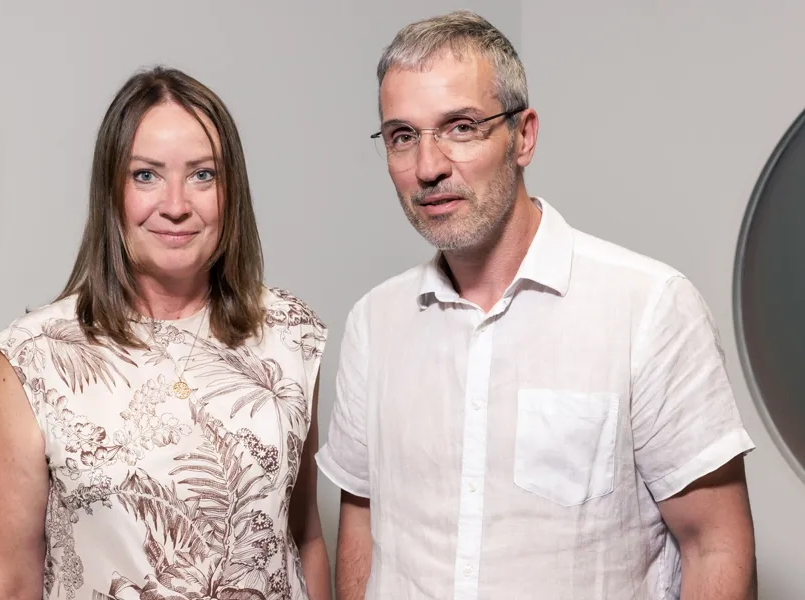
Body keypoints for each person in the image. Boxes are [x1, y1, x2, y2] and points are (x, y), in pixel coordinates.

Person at [316, 10, 757, 600]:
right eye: (402, 136)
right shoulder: (375, 323)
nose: (428, 167)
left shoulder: (648, 308)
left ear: (523, 136)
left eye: (461, 127)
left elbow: (716, 546)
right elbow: (364, 523)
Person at [0, 66, 331, 600]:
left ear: (232, 192)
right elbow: (5, 574)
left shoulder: (291, 336)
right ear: (110, 190)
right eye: (146, 175)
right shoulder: (35, 359)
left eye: (203, 174)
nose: (177, 204)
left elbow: (304, 540)